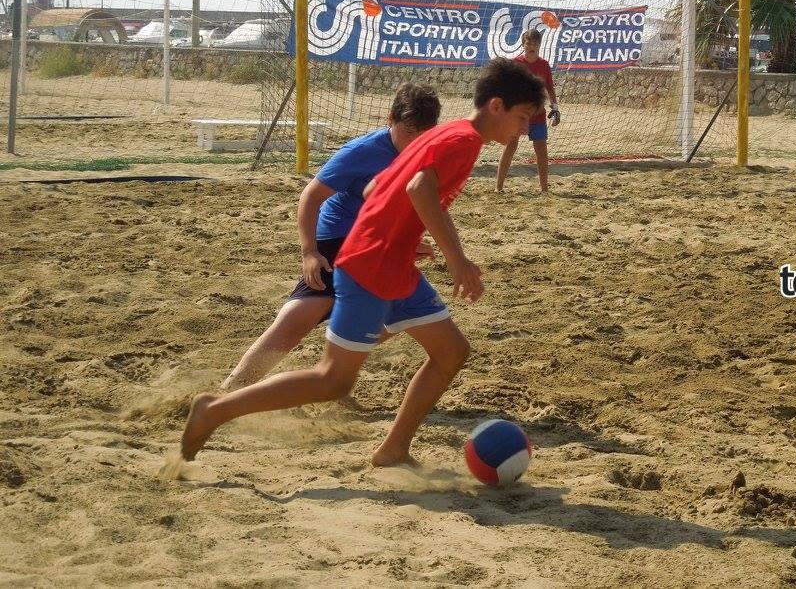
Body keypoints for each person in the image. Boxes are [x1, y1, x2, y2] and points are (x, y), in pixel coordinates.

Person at [180, 58, 546, 465]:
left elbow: (377, 188)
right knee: (332, 380)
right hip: (372, 266)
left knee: (451, 353)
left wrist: (401, 234)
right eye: (523, 117)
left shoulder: (447, 133)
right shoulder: (462, 141)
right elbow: (419, 187)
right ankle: (214, 410)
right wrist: (456, 258)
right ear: (495, 106)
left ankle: (393, 450)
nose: (525, 129)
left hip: (392, 263)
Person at [221, 83, 441, 390]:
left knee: (402, 316)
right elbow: (311, 196)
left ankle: (333, 367)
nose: (414, 141)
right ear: (390, 118)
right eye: (409, 132)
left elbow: (405, 207)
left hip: (377, 244)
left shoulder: (427, 154)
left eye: (424, 134)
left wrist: (406, 242)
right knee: (301, 317)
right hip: (338, 239)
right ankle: (231, 389)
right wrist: (309, 252)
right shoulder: (362, 151)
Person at [496, 28, 559, 193]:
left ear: (539, 45)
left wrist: (555, 107)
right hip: (518, 115)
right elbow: (506, 88)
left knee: (541, 151)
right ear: (523, 44)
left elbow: (550, 88)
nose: (532, 45)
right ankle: (498, 187)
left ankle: (544, 190)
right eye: (528, 42)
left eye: (535, 42)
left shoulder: (544, 65)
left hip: (537, 115)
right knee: (511, 146)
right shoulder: (515, 63)